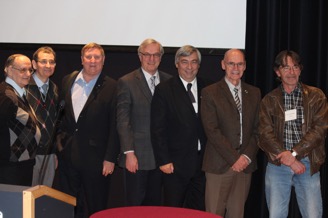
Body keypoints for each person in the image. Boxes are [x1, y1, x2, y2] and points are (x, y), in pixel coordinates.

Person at [259, 50, 328, 218]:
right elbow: (264, 133)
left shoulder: (316, 96)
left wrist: (294, 154)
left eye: (295, 67)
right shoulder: (269, 100)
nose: (291, 72)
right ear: (278, 72)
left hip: (307, 162)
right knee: (276, 215)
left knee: (313, 215)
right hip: (277, 165)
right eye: (286, 67)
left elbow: (320, 130)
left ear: (300, 70)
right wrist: (286, 157)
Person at [56, 43, 119, 217]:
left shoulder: (113, 86)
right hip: (68, 156)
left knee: (96, 206)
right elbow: (61, 117)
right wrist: (58, 147)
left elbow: (115, 127)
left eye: (97, 57)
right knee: (67, 205)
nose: (93, 61)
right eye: (89, 57)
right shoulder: (68, 80)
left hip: (97, 160)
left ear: (103, 60)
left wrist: (110, 158)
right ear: (82, 59)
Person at [201, 49, 261, 218]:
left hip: (245, 166)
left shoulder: (254, 93)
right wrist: (235, 158)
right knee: (214, 214)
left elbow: (258, 129)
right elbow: (212, 130)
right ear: (223, 65)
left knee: (237, 214)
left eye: (240, 64)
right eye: (231, 63)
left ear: (245, 66)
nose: (236, 67)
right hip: (219, 164)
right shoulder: (210, 92)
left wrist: (246, 157)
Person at [151, 45, 211, 210]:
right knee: (173, 211)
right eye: (185, 62)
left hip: (203, 165)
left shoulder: (209, 88)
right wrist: (163, 160)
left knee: (199, 210)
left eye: (194, 62)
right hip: (175, 166)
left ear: (199, 64)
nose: (189, 67)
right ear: (177, 64)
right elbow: (157, 129)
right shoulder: (164, 90)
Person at [117, 39, 171, 206]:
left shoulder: (170, 81)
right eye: (147, 54)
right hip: (137, 157)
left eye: (156, 54)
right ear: (140, 56)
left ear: (161, 57)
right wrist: (129, 153)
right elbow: (123, 120)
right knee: (135, 207)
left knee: (154, 207)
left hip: (162, 158)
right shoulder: (127, 82)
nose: (151, 58)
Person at [0, 54, 41, 186]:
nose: (28, 74)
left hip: (22, 165)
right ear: (8, 69)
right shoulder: (6, 95)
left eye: (30, 70)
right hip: (10, 168)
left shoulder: (18, 93)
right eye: (23, 70)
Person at [26, 46, 59, 187]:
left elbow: (57, 122)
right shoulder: (23, 86)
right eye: (43, 61)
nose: (48, 65)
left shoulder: (55, 89)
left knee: (44, 198)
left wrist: (55, 152)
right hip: (28, 155)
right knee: (27, 199)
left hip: (49, 155)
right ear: (34, 64)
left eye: (51, 62)